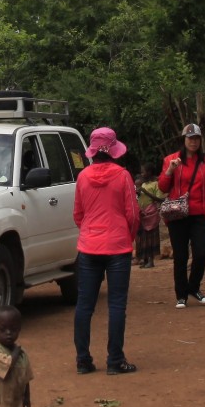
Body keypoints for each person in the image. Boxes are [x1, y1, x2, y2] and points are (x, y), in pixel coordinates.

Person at [72, 126, 138, 374]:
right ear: (113, 150)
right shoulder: (122, 176)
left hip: (89, 246)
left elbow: (78, 214)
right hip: (117, 246)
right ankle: (115, 360)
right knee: (117, 304)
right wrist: (127, 237)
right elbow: (132, 214)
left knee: (84, 305)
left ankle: (83, 360)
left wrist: (90, 231)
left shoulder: (83, 177)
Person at [158, 124, 205, 308]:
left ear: (200, 140)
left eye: (196, 138)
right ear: (183, 139)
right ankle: (181, 295)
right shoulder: (171, 160)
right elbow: (162, 187)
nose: (193, 141)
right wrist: (170, 171)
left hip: (200, 214)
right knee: (181, 256)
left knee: (201, 253)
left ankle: (194, 287)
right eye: (190, 138)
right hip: (178, 214)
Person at [133, 176, 162, 269]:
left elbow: (158, 199)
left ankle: (151, 260)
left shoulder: (155, 185)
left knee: (150, 239)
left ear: (150, 173)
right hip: (142, 215)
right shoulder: (143, 185)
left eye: (144, 172)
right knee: (143, 239)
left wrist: (145, 192)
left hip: (151, 214)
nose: (143, 174)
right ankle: (144, 259)